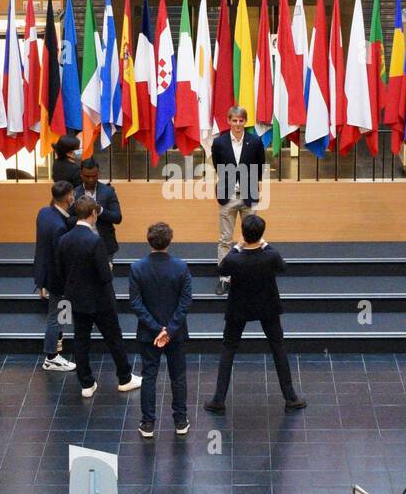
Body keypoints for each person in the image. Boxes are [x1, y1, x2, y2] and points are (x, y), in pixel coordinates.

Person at [204, 213, 306, 413]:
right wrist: (265, 244)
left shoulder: (235, 260)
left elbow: (222, 267)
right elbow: (283, 266)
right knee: (278, 347)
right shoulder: (271, 256)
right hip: (267, 307)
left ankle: (218, 399)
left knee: (228, 349)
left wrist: (237, 246)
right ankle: (290, 397)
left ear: (242, 233)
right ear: (261, 234)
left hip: (239, 308)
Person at [56, 196, 141, 399]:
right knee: (114, 339)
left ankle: (86, 383)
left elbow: (60, 271)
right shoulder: (95, 241)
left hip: (76, 300)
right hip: (101, 301)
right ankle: (125, 378)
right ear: (94, 213)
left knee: (80, 341)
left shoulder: (63, 240)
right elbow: (105, 276)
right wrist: (109, 267)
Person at [128, 221, 193, 438]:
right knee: (178, 377)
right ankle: (180, 420)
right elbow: (185, 301)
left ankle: (147, 424)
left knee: (149, 377)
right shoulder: (181, 267)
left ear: (149, 240)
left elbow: (136, 304)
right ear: (169, 241)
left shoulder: (137, 268)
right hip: (175, 334)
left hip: (149, 334)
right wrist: (170, 330)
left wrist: (157, 329)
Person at [209, 106, 266, 295]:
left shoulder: (255, 141)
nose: (238, 124)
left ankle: (252, 276)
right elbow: (218, 165)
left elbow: (259, 165)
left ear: (245, 122)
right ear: (228, 121)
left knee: (253, 238)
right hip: (228, 196)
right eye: (234, 120)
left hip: (249, 195)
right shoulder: (219, 142)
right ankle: (225, 278)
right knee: (225, 239)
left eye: (241, 120)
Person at [34, 180, 77, 372]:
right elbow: (61, 258)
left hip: (45, 272)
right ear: (69, 197)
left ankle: (58, 342)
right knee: (56, 316)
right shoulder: (59, 227)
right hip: (57, 278)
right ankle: (51, 356)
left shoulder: (44, 212)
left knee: (59, 315)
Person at [73, 157, 121, 259]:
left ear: (98, 173)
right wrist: (83, 216)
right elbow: (68, 219)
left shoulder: (108, 191)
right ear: (81, 175)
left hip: (104, 244)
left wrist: (101, 211)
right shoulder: (75, 193)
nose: (90, 179)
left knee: (105, 274)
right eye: (87, 176)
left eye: (94, 176)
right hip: (80, 243)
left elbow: (117, 218)